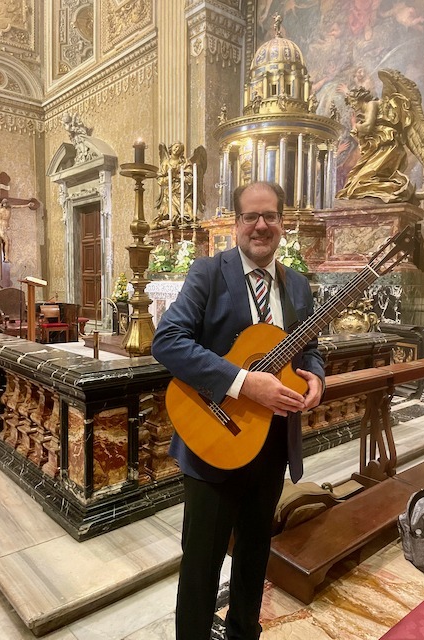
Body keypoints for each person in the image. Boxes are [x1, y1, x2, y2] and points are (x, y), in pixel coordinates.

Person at [151, 181, 325, 640]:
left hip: (269, 444)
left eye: (270, 216)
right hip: (214, 441)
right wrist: (246, 382)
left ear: (283, 223)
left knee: (254, 557)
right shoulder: (208, 273)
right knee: (202, 567)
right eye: (250, 216)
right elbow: (167, 341)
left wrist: (316, 377)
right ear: (236, 224)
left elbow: (309, 349)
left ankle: (245, 631)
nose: (260, 225)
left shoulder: (298, 285)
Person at [0, 197, 35, 262]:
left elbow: (19, 206)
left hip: (7, 226)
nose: (4, 203)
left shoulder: (10, 207)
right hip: (1, 226)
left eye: (5, 202)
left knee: (10, 242)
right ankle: (6, 258)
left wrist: (27, 205)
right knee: (6, 241)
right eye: (3, 202)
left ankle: (8, 257)